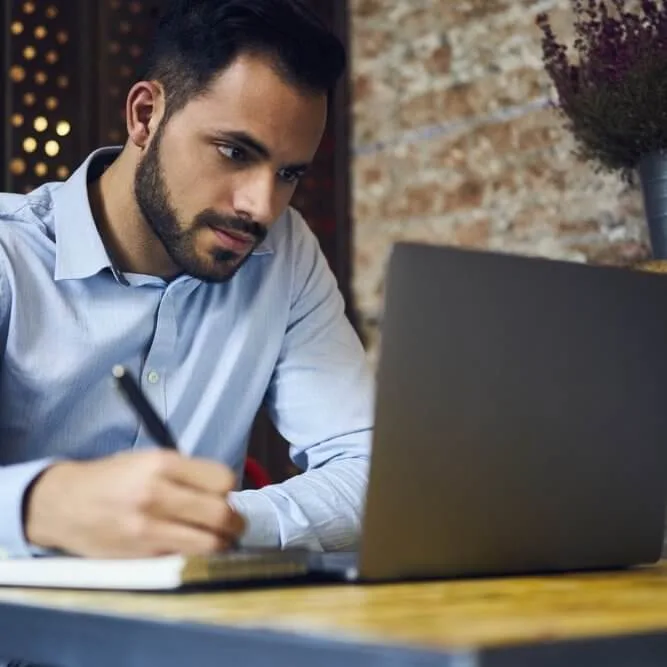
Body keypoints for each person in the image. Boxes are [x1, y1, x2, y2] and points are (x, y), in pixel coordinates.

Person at [0, 0, 373, 559]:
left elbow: (367, 467)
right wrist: (36, 507)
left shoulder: (284, 254)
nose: (261, 207)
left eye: (288, 174)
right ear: (145, 116)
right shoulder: (10, 253)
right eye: (234, 151)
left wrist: (207, 525)